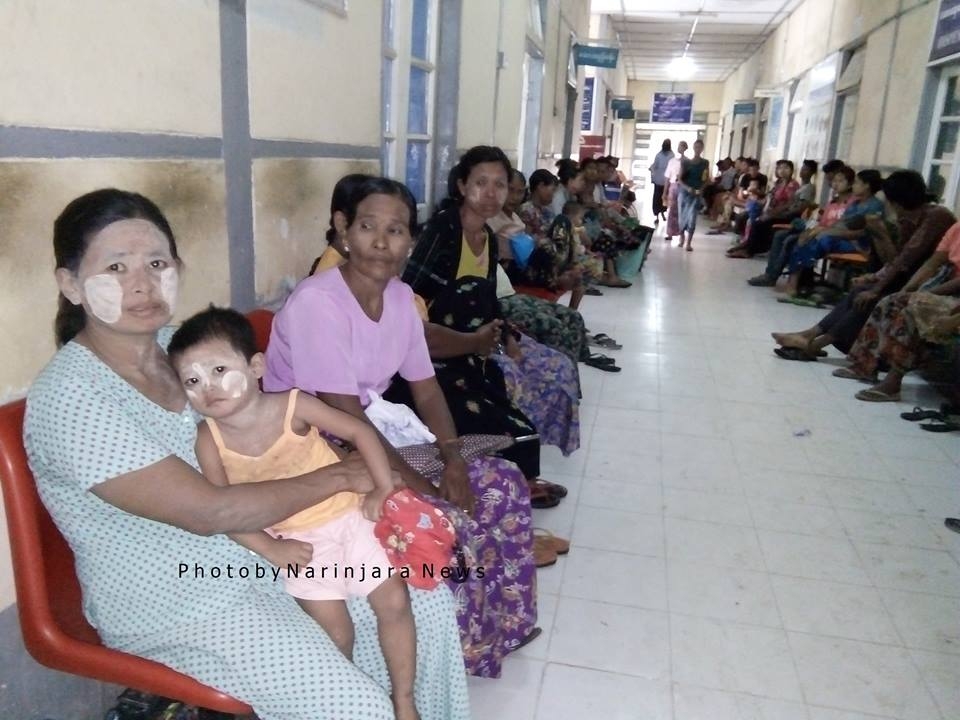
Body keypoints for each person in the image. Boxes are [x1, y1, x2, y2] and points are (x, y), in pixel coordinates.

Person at [23, 188, 470, 720]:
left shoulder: (185, 350)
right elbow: (210, 512)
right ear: (71, 284)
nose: (141, 283)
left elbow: (275, 426)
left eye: (157, 263)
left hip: (276, 551)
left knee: (426, 604)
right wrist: (341, 478)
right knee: (355, 707)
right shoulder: (72, 398)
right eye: (116, 267)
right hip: (184, 597)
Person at [263, 174, 545, 677]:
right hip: (313, 442)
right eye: (367, 226)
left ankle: (500, 626)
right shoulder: (317, 303)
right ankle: (455, 645)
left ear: (410, 241)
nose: (381, 241)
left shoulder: (399, 299)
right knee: (436, 516)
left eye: (395, 230)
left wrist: (452, 459)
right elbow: (344, 416)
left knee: (501, 483)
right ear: (343, 229)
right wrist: (425, 486)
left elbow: (427, 388)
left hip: (373, 428)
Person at [169, 307, 428, 720]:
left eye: (219, 369)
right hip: (300, 545)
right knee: (334, 634)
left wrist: (382, 488)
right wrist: (271, 550)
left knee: (394, 602)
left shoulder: (293, 406)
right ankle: (342, 705)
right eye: (193, 381)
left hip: (351, 516)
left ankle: (404, 699)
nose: (209, 388)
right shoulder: (208, 439)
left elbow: (359, 431)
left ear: (256, 367)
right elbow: (221, 509)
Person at [772, 170, 957, 360]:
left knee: (870, 298)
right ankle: (809, 335)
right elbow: (898, 259)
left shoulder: (936, 217)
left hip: (932, 283)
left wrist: (877, 288)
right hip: (913, 277)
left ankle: (814, 345)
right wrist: (875, 277)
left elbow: (907, 259)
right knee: (860, 291)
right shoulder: (910, 218)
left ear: (897, 202)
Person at [835, 220, 960, 401]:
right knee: (890, 301)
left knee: (913, 308)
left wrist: (925, 295)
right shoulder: (956, 229)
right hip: (945, 292)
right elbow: (932, 264)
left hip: (955, 296)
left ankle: (893, 381)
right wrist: (906, 290)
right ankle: (864, 364)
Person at [779, 168, 884, 296]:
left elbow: (863, 233)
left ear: (866, 186)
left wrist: (828, 233)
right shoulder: (855, 204)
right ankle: (797, 283)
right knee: (806, 239)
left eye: (856, 182)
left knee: (821, 240)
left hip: (858, 244)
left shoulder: (875, 206)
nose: (854, 186)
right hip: (841, 238)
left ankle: (797, 283)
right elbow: (841, 223)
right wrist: (819, 231)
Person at [746, 159, 819, 285]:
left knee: (779, 234)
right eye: (802, 168)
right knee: (768, 226)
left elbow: (798, 208)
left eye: (806, 169)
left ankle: (770, 274)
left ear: (812, 173)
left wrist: (776, 214)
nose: (802, 171)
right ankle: (768, 271)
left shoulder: (807, 188)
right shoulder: (799, 186)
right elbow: (788, 203)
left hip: (793, 218)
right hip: (787, 215)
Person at [726, 159, 802, 258]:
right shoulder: (779, 183)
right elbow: (769, 197)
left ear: (792, 170)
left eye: (786, 168)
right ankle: (747, 244)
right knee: (750, 217)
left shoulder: (793, 185)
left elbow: (789, 204)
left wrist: (772, 213)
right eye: (780, 168)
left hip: (784, 215)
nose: (782, 170)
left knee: (758, 223)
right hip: (772, 212)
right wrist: (763, 207)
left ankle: (749, 251)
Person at [677, 139, 709, 251]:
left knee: (692, 218)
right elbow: (679, 179)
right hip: (684, 193)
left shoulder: (705, 163)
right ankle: (681, 237)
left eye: (700, 147)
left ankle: (689, 243)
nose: (698, 149)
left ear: (702, 149)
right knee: (682, 217)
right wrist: (688, 188)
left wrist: (701, 189)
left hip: (696, 193)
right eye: (696, 147)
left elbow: (706, 179)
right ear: (693, 148)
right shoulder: (686, 163)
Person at [663, 140, 688, 244]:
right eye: (679, 146)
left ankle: (682, 235)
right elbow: (667, 177)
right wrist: (664, 192)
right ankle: (670, 233)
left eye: (682, 146)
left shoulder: (688, 162)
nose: (680, 148)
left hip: (684, 187)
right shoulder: (672, 161)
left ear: (685, 148)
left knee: (682, 211)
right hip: (673, 187)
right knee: (672, 211)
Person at [649, 139, 674, 225]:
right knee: (657, 198)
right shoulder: (659, 155)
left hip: (666, 180)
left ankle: (662, 212)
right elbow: (655, 165)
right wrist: (652, 169)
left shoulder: (671, 155)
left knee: (664, 198)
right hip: (658, 180)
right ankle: (657, 215)